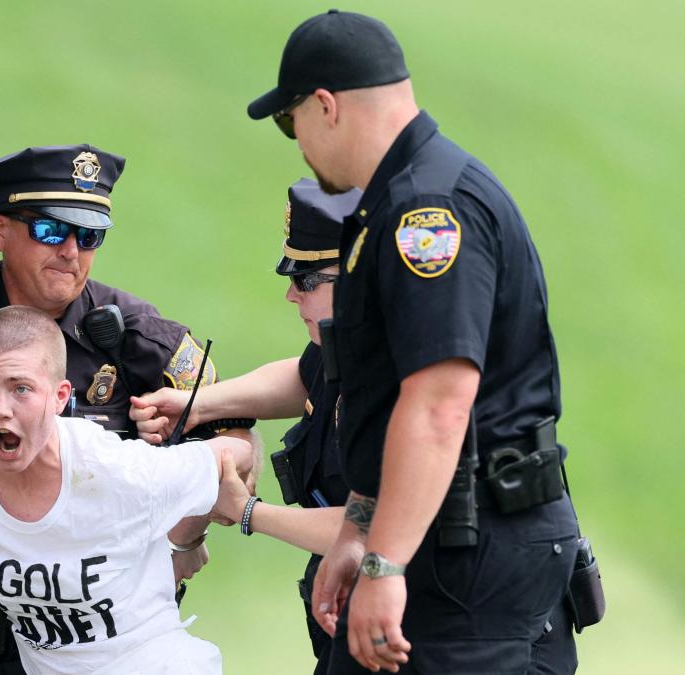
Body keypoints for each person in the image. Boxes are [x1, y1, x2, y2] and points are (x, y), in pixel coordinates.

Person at [247, 10, 580, 674]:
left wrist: (384, 559)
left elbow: (438, 403)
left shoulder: (428, 213)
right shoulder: (398, 198)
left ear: (326, 106)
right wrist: (359, 526)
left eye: (292, 124)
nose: (299, 146)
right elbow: (389, 390)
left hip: (470, 556)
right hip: (434, 535)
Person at [0, 144, 253, 674]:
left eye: (90, 236)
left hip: (91, 641)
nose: (71, 251)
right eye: (51, 231)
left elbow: (237, 446)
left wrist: (182, 538)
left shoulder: (143, 340)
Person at [0, 305, 254, 674]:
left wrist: (182, 539)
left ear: (60, 396)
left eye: (21, 389)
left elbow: (238, 453)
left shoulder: (117, 470)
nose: (1, 410)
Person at [131, 178, 356, 673]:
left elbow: (372, 526)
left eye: (307, 280)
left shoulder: (394, 373)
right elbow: (304, 378)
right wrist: (200, 405)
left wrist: (247, 510)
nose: (290, 295)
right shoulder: (346, 343)